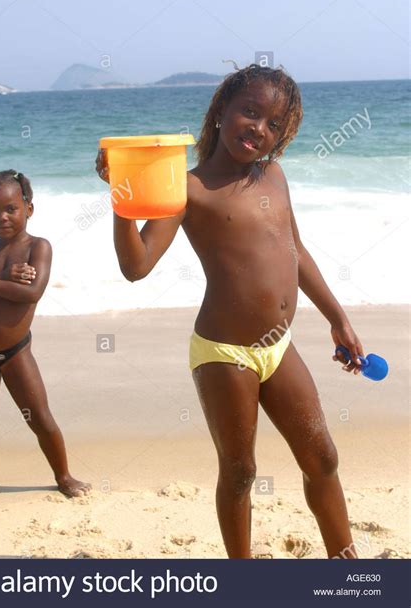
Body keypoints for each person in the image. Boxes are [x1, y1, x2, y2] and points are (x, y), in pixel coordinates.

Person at [96, 63, 364, 559]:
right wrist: (122, 197)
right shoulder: (188, 189)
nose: (259, 128)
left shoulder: (275, 176)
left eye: (274, 124)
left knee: (322, 457)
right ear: (221, 110)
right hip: (224, 352)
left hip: (278, 347)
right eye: (250, 112)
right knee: (240, 472)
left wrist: (337, 317)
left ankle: (346, 566)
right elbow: (137, 266)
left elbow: (295, 250)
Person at [0, 170, 91, 505]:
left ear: (28, 208)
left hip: (16, 351)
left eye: (10, 208)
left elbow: (31, 292)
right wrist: (2, 278)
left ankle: (63, 476)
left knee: (40, 416)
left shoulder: (38, 247)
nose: (1, 217)